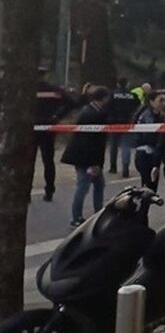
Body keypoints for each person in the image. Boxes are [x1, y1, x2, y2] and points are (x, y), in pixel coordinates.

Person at [61, 86, 111, 227]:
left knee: (98, 184)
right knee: (83, 186)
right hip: (86, 157)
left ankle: (97, 212)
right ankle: (77, 216)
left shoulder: (90, 111)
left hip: (85, 156)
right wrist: (93, 163)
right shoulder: (93, 115)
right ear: (103, 98)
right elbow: (90, 141)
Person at [34, 68, 71, 202]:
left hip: (29, 128)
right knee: (48, 161)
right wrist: (57, 116)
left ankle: (25, 192)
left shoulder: (25, 90)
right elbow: (71, 103)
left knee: (27, 161)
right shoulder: (54, 90)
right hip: (48, 128)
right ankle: (49, 190)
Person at [133, 91, 165, 191]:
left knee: (152, 188)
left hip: (155, 154)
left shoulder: (162, 115)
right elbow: (149, 136)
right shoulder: (146, 116)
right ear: (152, 102)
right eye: (161, 100)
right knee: (147, 187)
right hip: (145, 154)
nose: (164, 103)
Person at [108, 83, 140, 177]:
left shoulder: (113, 94)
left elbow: (108, 107)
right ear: (127, 84)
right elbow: (138, 107)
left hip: (114, 122)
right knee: (126, 146)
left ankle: (113, 167)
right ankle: (125, 168)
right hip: (127, 123)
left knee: (113, 145)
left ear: (118, 84)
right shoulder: (133, 95)